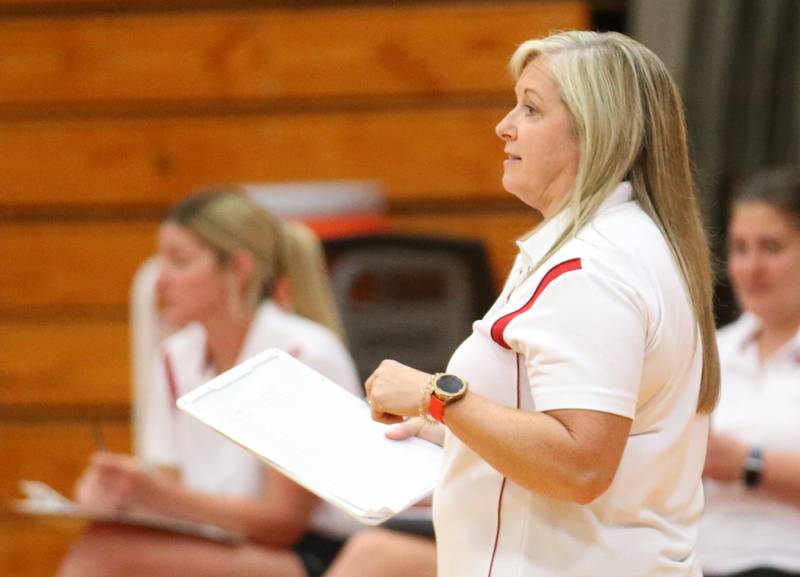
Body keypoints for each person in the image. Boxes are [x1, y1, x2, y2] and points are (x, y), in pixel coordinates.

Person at [364, 30, 720, 577]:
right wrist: (447, 427)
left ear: (596, 131)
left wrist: (435, 396)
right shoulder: (620, 244)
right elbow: (570, 423)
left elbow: (581, 465)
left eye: (530, 109)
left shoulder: (592, 268)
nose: (503, 126)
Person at [57, 188, 363, 577]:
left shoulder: (304, 353)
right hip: (225, 545)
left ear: (238, 268)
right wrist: (123, 497)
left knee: (104, 556)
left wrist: (156, 494)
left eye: (179, 261)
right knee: (106, 538)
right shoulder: (175, 357)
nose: (159, 281)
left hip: (319, 556)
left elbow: (282, 524)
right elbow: (174, 502)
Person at [699, 168, 800, 577]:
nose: (751, 267)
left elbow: (730, 461)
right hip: (698, 561)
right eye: (740, 248)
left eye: (771, 247)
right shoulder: (710, 353)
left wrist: (748, 464)